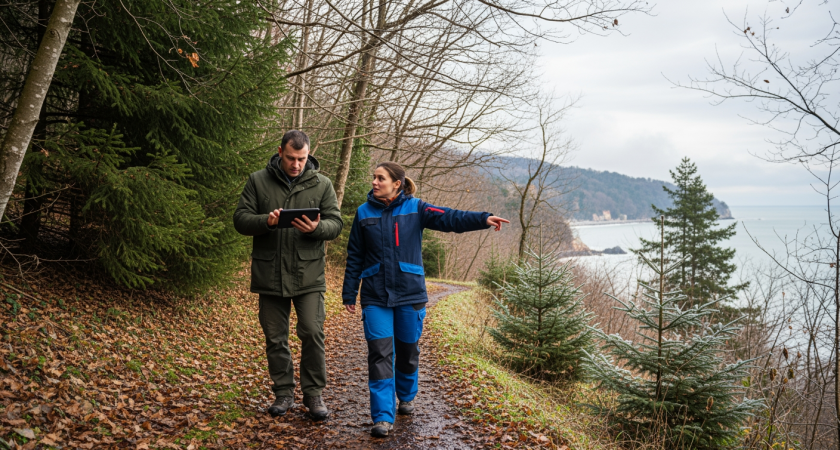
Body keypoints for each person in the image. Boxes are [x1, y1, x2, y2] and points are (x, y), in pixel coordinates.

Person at [341, 161, 509, 437]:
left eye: (380, 178)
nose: (374, 182)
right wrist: (349, 292)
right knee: (380, 354)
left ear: (397, 183)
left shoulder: (417, 208)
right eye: (373, 177)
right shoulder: (363, 213)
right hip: (375, 295)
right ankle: (382, 416)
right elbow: (355, 255)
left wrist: (483, 218)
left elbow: (450, 217)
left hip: (410, 293)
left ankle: (406, 396)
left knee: (407, 352)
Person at [233, 130, 343, 421]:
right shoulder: (258, 180)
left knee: (312, 332)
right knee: (275, 338)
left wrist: (316, 229)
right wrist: (266, 221)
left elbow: (336, 223)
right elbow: (240, 220)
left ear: (309, 155)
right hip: (269, 274)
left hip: (309, 276)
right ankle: (283, 393)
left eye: (302, 159)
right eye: (292, 158)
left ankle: (313, 394)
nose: (297, 164)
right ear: (280, 151)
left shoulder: (322, 184)